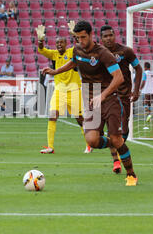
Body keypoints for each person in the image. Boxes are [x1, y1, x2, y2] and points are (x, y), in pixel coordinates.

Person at [42, 20, 138, 186]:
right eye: (78, 38)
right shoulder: (78, 49)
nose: (81, 41)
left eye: (84, 37)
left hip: (109, 99)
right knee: (92, 140)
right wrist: (55, 71)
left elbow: (119, 77)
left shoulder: (103, 53)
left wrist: (103, 95)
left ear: (91, 35)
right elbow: (74, 62)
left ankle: (131, 175)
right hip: (90, 99)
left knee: (116, 138)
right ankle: (115, 142)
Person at [36, 23, 90, 154]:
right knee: (52, 115)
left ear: (66, 44)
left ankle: (89, 144)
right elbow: (42, 50)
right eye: (57, 43)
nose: (59, 45)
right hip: (59, 90)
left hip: (74, 90)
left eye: (62, 43)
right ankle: (50, 146)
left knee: (79, 119)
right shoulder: (54, 54)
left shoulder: (72, 51)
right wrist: (41, 40)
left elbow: (80, 45)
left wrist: (74, 35)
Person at [100, 25, 143, 174]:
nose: (108, 38)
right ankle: (116, 161)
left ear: (114, 36)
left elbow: (138, 68)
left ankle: (119, 153)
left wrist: (136, 90)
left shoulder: (125, 51)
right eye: (105, 36)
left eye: (110, 35)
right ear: (101, 39)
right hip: (109, 97)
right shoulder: (99, 54)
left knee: (124, 131)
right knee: (113, 131)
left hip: (124, 97)